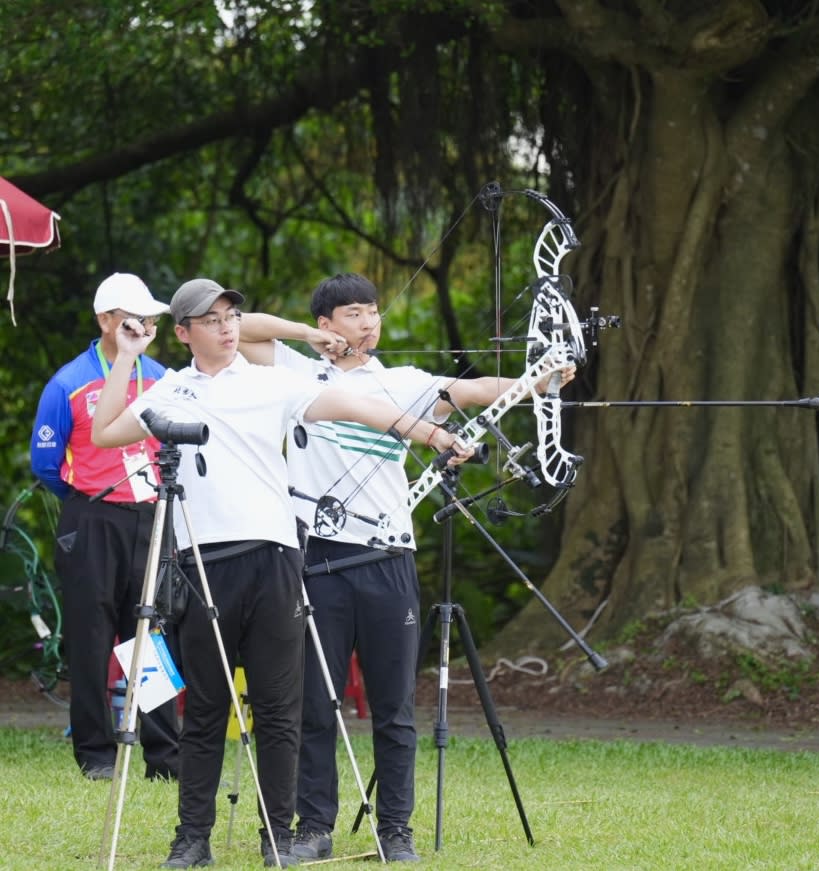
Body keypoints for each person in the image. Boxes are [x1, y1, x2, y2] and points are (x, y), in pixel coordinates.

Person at [91, 277, 470, 869]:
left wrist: (429, 432)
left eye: (231, 316)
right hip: (199, 564)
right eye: (210, 320)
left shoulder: (272, 383)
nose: (226, 326)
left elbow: (354, 405)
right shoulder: (168, 390)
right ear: (185, 333)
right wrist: (129, 358)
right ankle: (193, 838)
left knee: (277, 709)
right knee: (208, 709)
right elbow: (104, 432)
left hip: (273, 562)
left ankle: (277, 837)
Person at [238, 272, 575, 863]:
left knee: (394, 707)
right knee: (316, 701)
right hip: (315, 556)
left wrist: (539, 378)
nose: (369, 323)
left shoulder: (403, 382)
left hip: (389, 558)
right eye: (353, 314)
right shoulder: (291, 372)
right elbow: (238, 329)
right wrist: (306, 339)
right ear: (326, 324)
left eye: (373, 312)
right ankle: (313, 828)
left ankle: (396, 830)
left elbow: (475, 393)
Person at [30, 272, 180, 782]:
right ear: (105, 320)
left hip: (150, 514)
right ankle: (96, 754)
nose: (144, 324)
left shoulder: (161, 377)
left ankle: (164, 755)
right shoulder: (68, 382)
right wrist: (91, 496)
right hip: (91, 515)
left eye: (150, 316)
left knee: (150, 633)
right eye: (133, 316)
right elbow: (46, 463)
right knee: (91, 638)